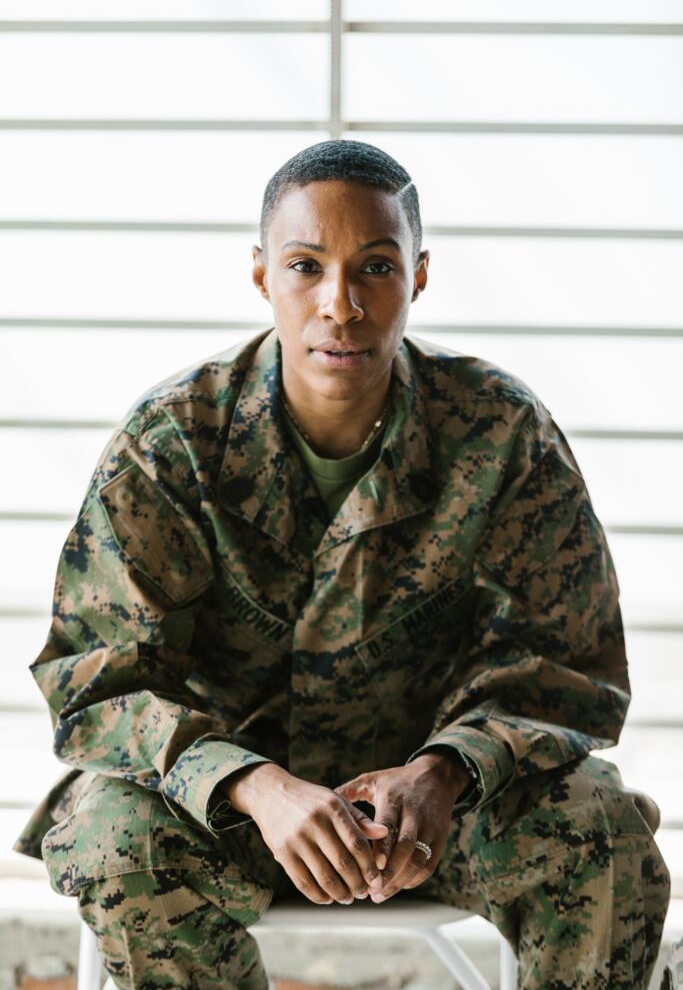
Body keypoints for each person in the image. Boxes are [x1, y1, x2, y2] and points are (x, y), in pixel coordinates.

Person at [13, 139, 671, 989]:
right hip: (233, 815)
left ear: (418, 276)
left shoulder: (500, 433)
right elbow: (99, 681)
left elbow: (562, 668)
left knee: (603, 827)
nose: (340, 303)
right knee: (110, 835)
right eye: (304, 266)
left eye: (375, 267)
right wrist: (253, 786)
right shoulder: (171, 444)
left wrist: (443, 771)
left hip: (438, 817)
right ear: (260, 277)